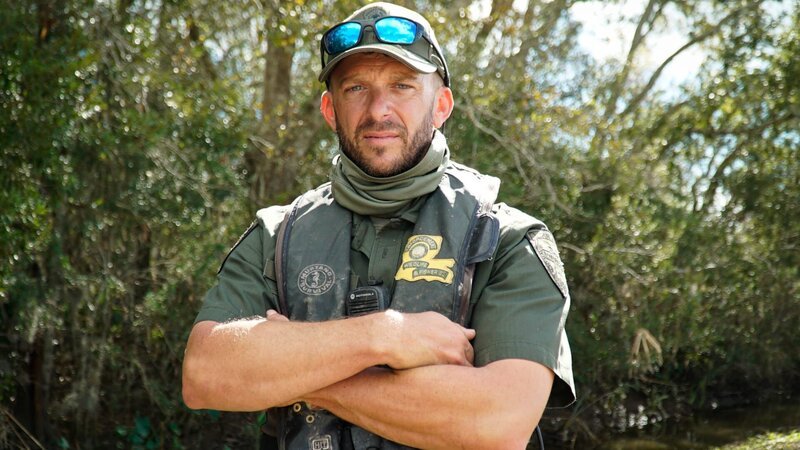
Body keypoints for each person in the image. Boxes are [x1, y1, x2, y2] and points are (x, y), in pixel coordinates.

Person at [182, 2, 575, 449]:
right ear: (331, 110)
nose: (378, 109)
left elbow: (498, 423)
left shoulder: (507, 242)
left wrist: (294, 371)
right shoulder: (275, 236)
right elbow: (205, 374)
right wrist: (384, 335)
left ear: (441, 105)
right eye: (355, 88)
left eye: (403, 86)